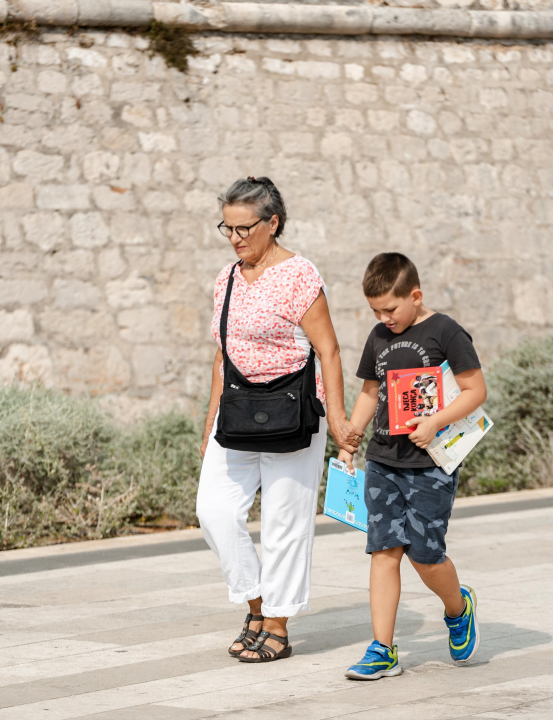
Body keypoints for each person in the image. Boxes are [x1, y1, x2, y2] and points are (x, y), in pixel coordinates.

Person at [195, 176, 363, 664]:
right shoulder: (224, 279)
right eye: (226, 228)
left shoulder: (299, 275)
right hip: (237, 413)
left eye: (245, 228)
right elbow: (222, 355)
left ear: (273, 223)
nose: (236, 238)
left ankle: (277, 625)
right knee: (215, 512)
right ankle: (256, 602)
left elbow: (328, 348)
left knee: (284, 524)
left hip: (294, 414)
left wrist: (337, 417)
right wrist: (209, 423)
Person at [338, 252, 488, 680]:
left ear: (415, 295)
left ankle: (458, 608)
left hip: (431, 465)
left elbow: (475, 391)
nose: (383, 317)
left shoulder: (447, 332)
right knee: (384, 551)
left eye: (391, 309)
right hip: (383, 461)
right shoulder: (378, 337)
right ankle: (382, 648)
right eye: (375, 311)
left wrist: (436, 421)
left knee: (425, 557)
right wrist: (351, 440)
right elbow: (370, 392)